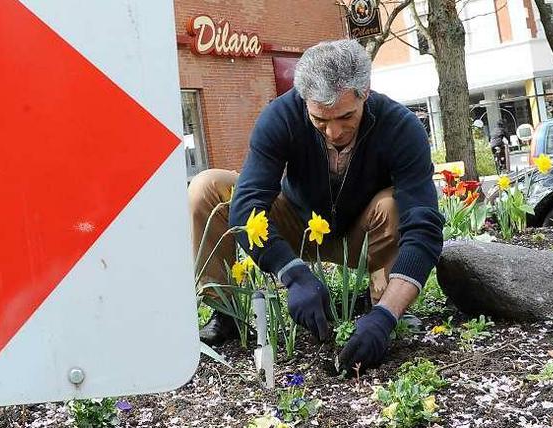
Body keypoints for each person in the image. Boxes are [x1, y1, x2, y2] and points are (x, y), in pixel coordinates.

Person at [189, 39, 443, 373]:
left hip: (363, 235)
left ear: (365, 91)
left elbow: (423, 225)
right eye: (319, 120)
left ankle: (385, 308)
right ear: (304, 101)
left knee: (394, 203)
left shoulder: (400, 128)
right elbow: (248, 204)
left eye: (346, 116)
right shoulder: (281, 116)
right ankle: (225, 314)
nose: (334, 132)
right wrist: (291, 273)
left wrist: (385, 318)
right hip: (298, 224)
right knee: (207, 187)